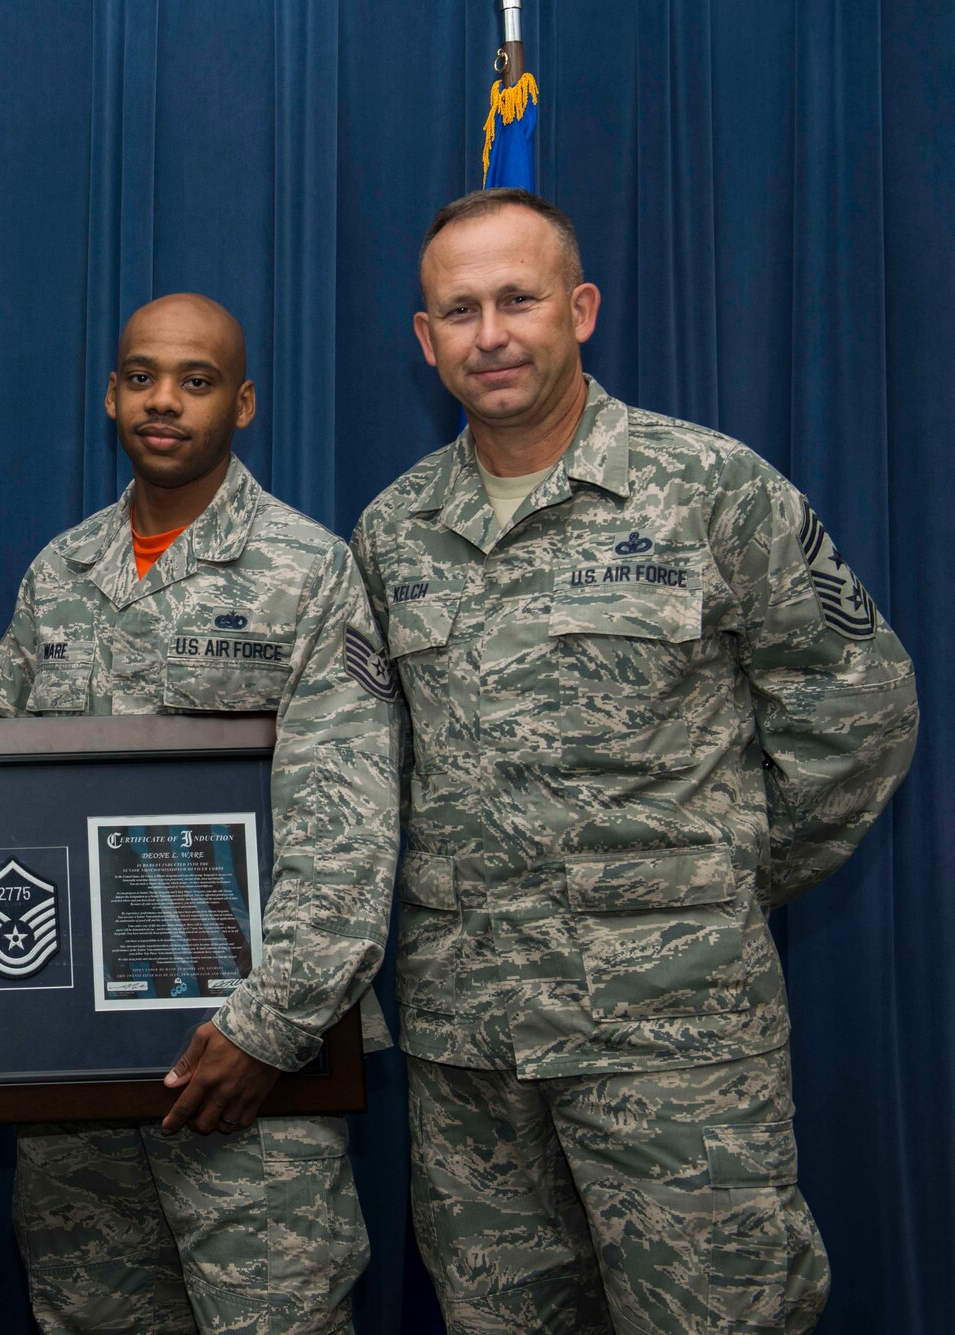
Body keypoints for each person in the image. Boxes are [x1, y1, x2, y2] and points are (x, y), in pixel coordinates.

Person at [349, 188, 919, 1333]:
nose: (490, 334)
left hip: (674, 1040)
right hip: (473, 1054)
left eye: (517, 299)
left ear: (580, 308)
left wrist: (708, 882)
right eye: (457, 311)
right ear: (424, 340)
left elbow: (855, 706)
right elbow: (361, 775)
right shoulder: (389, 530)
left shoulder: (709, 487)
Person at [0, 294, 400, 1334]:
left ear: (242, 403)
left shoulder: (308, 572)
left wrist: (265, 1031)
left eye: (195, 381)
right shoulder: (61, 571)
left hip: (246, 1073)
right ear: (109, 395)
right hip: (70, 1082)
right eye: (141, 376)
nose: (163, 401)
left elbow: (348, 834)